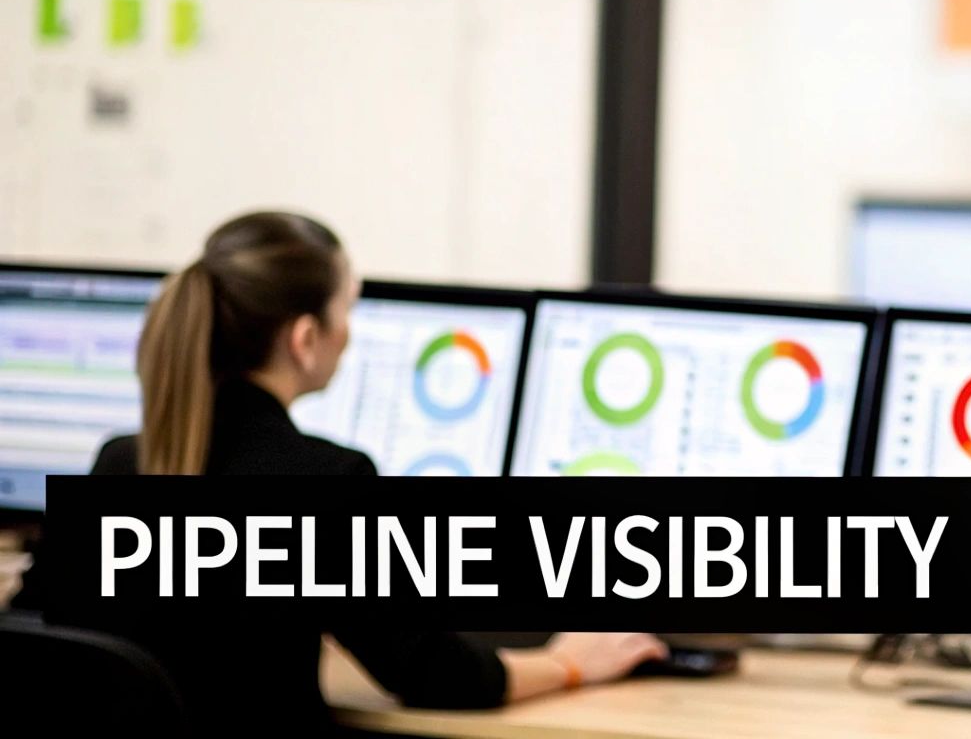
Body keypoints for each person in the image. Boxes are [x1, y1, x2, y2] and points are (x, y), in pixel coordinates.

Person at [35, 211, 666, 737]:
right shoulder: (325, 479)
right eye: (347, 312)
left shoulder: (119, 463)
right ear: (305, 338)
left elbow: (53, 628)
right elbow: (435, 675)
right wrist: (568, 662)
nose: (350, 335)